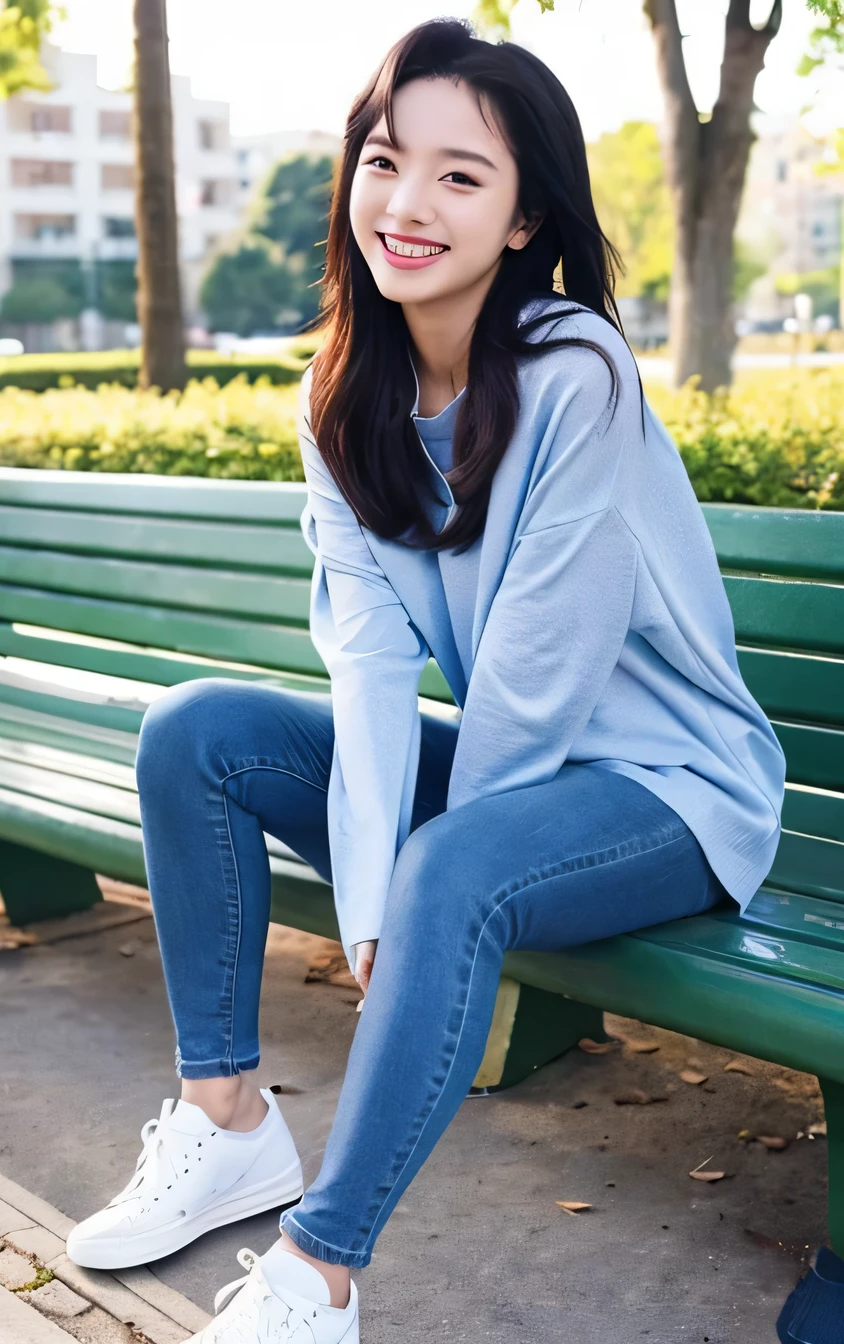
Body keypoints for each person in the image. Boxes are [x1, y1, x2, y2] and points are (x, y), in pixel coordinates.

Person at [65, 17, 786, 1343]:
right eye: (388, 160)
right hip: (525, 780)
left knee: (450, 866)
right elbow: (373, 666)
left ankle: (319, 1276)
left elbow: (533, 678)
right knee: (197, 735)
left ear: (523, 219)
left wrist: (427, 875)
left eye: (463, 176)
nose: (407, 202)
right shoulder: (345, 395)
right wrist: (367, 905)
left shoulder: (578, 375)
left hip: (670, 795)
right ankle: (226, 1120)